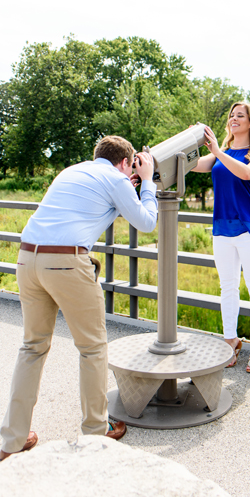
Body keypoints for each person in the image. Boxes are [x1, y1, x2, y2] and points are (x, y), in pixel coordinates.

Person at [0, 136, 158, 460]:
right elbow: (146, 222)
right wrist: (149, 183)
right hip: (65, 261)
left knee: (32, 347)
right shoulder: (117, 179)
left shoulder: (72, 171)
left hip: (27, 258)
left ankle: (11, 440)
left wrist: (127, 185)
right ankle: (96, 433)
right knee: (93, 348)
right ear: (127, 162)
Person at [193, 102, 250, 374]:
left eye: (240, 116)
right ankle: (231, 341)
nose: (234, 119)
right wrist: (189, 143)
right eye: (232, 115)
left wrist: (216, 151)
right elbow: (193, 165)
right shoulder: (220, 154)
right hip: (222, 230)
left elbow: (247, 173)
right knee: (227, 287)